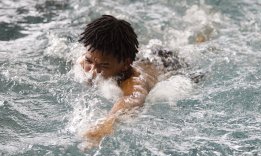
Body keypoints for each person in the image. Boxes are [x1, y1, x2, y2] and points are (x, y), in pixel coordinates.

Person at [78, 15, 187, 147]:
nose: (93, 71)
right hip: (146, 57)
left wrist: (108, 122)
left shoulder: (134, 80)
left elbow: (133, 98)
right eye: (89, 61)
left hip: (170, 65)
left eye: (104, 66)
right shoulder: (89, 59)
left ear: (125, 64)